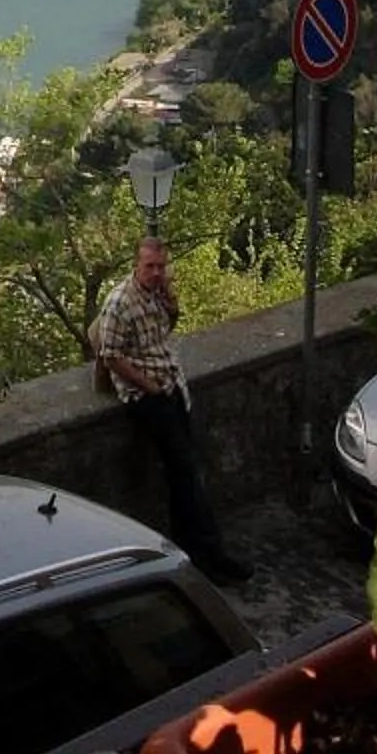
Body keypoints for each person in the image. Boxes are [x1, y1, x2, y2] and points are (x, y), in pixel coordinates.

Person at [92, 237, 251, 585]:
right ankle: (211, 557)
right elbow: (111, 356)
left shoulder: (158, 293)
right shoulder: (120, 301)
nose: (156, 272)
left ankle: (194, 554)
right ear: (137, 265)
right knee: (189, 474)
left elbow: (164, 330)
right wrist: (149, 387)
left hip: (172, 385)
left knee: (184, 476)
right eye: (150, 266)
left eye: (161, 266)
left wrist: (172, 304)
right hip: (148, 397)